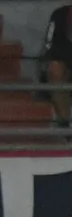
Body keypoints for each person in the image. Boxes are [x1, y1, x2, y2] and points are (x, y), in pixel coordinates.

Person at [43, 2, 72, 130]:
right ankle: (64, 124)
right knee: (55, 69)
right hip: (65, 62)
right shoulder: (59, 14)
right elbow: (49, 44)